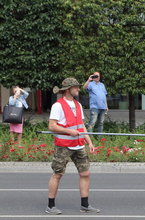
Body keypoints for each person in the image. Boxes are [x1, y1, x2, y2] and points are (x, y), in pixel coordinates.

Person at [47, 78, 100, 215]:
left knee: (85, 173)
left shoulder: (78, 105)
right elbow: (52, 126)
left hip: (78, 145)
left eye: (77, 87)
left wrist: (89, 141)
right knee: (58, 174)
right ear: (68, 90)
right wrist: (69, 132)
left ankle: (85, 205)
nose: (78, 89)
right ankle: (50, 206)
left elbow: (81, 126)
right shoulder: (57, 106)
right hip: (63, 145)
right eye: (75, 87)